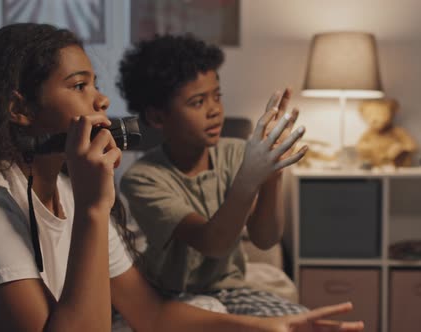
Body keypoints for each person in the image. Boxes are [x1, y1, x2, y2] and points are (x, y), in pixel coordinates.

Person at [0, 23, 363, 332]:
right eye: (78, 86)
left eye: (94, 83)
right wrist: (94, 208)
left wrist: (270, 326)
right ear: (19, 109)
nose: (101, 99)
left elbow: (152, 315)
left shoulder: (71, 190)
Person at [117, 34, 319, 317]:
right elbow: (212, 243)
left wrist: (273, 171)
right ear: (157, 117)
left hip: (231, 290)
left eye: (217, 96)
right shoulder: (143, 178)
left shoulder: (236, 154)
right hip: (170, 296)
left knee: (300, 321)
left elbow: (265, 239)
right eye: (198, 102)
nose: (215, 110)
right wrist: (249, 178)